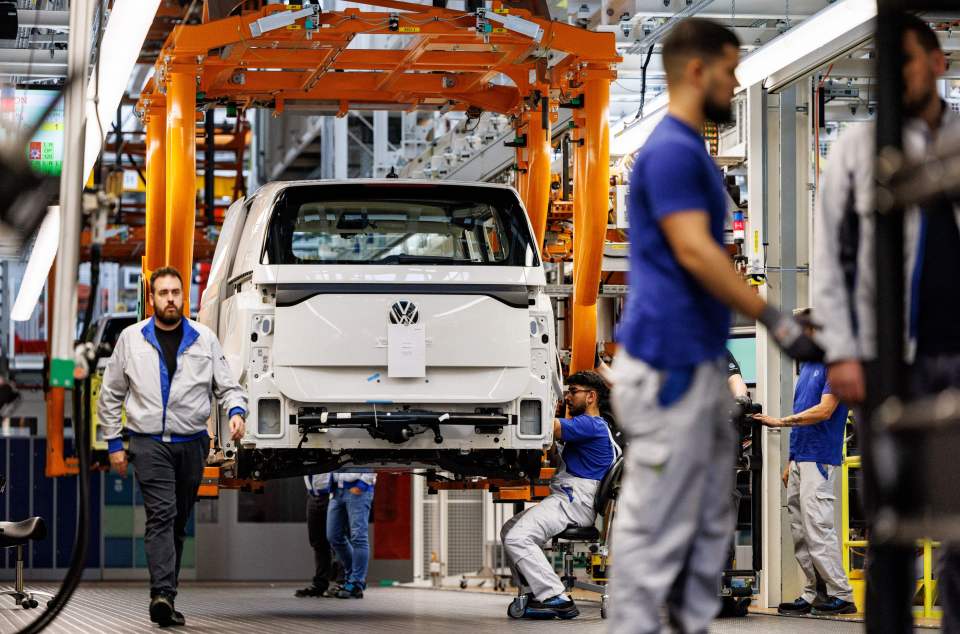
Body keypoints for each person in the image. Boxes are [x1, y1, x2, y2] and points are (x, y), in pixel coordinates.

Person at [609, 18, 821, 634]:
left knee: (703, 523)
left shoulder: (687, 155)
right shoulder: (673, 152)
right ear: (698, 71)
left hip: (691, 362)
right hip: (669, 362)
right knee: (658, 527)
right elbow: (696, 251)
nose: (734, 83)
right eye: (730, 70)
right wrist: (776, 321)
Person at [812, 14, 960, 632]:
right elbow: (830, 258)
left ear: (938, 63)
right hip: (889, 354)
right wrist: (841, 352)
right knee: (890, 515)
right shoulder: (854, 149)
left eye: (905, 60)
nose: (894, 76)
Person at [98, 266, 247, 627]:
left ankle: (168, 594)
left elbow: (227, 386)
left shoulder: (204, 338)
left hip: (192, 444)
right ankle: (160, 594)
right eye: (163, 293)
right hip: (148, 444)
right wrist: (114, 442)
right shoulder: (130, 340)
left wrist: (236, 411)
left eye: (175, 293)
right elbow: (110, 394)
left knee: (178, 521)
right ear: (151, 299)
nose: (170, 299)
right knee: (161, 516)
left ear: (184, 296)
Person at [753, 310, 855, 616]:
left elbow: (824, 411)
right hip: (801, 458)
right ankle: (814, 593)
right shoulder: (807, 366)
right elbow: (804, 414)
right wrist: (791, 460)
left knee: (818, 528)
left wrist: (780, 422)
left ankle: (841, 594)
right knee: (800, 529)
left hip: (820, 459)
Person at [500, 371, 619, 620]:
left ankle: (557, 597)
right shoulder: (595, 427)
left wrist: (528, 400)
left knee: (517, 537)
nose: (568, 396)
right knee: (509, 529)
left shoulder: (590, 424)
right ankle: (533, 593)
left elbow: (549, 427)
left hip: (573, 503)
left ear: (591, 396)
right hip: (571, 500)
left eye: (573, 391)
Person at [327, 469, 377, 599]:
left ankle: (356, 583)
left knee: (358, 537)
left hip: (358, 490)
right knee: (333, 536)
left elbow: (372, 462)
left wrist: (362, 485)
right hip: (337, 491)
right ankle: (352, 578)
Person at [295, 472, 344, 598]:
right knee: (317, 541)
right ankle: (320, 583)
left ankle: (342, 582)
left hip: (331, 494)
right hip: (313, 495)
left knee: (336, 539)